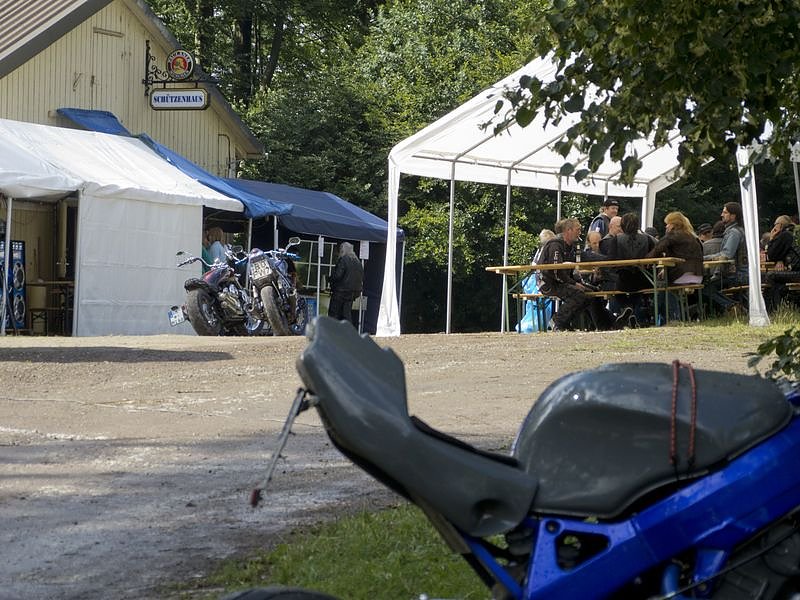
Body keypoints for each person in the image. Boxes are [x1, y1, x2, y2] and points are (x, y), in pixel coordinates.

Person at [538, 218, 631, 331]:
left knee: (593, 293)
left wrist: (608, 260)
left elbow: (586, 258)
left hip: (561, 281)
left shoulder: (571, 246)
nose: (580, 232)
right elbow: (556, 271)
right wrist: (574, 283)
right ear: (568, 230)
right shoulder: (555, 245)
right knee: (579, 294)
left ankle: (607, 324)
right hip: (549, 283)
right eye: (578, 229)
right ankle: (557, 322)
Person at [646, 211, 704, 322]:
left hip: (682, 276)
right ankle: (664, 316)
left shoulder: (672, 235)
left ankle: (666, 316)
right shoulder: (692, 236)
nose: (666, 226)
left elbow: (657, 249)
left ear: (674, 224)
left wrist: (645, 261)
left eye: (668, 224)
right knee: (665, 283)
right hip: (698, 276)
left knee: (663, 285)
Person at [610, 212, 656, 325]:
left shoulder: (616, 240)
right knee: (638, 293)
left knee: (614, 290)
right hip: (645, 279)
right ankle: (634, 314)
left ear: (622, 226)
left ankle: (628, 307)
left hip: (624, 280)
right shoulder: (647, 239)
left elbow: (610, 260)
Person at [704, 202, 748, 311]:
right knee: (707, 285)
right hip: (740, 274)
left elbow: (726, 255)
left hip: (736, 275)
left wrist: (704, 258)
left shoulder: (734, 233)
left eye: (725, 212)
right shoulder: (736, 230)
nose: (721, 215)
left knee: (705, 287)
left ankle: (732, 306)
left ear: (733, 216)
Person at [764, 215, 800, 310]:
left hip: (797, 272)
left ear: (779, 225)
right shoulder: (792, 234)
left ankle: (770, 309)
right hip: (795, 270)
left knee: (771, 275)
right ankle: (778, 308)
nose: (773, 227)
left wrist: (771, 239)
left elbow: (771, 255)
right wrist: (780, 260)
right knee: (778, 279)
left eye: (775, 225)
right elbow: (783, 252)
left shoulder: (785, 235)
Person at [328, 242, 364, 326]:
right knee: (347, 314)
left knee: (333, 313)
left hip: (340, 291)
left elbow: (337, 275)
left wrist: (329, 278)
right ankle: (348, 331)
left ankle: (332, 331)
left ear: (343, 250)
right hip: (352, 293)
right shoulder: (358, 262)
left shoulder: (343, 259)